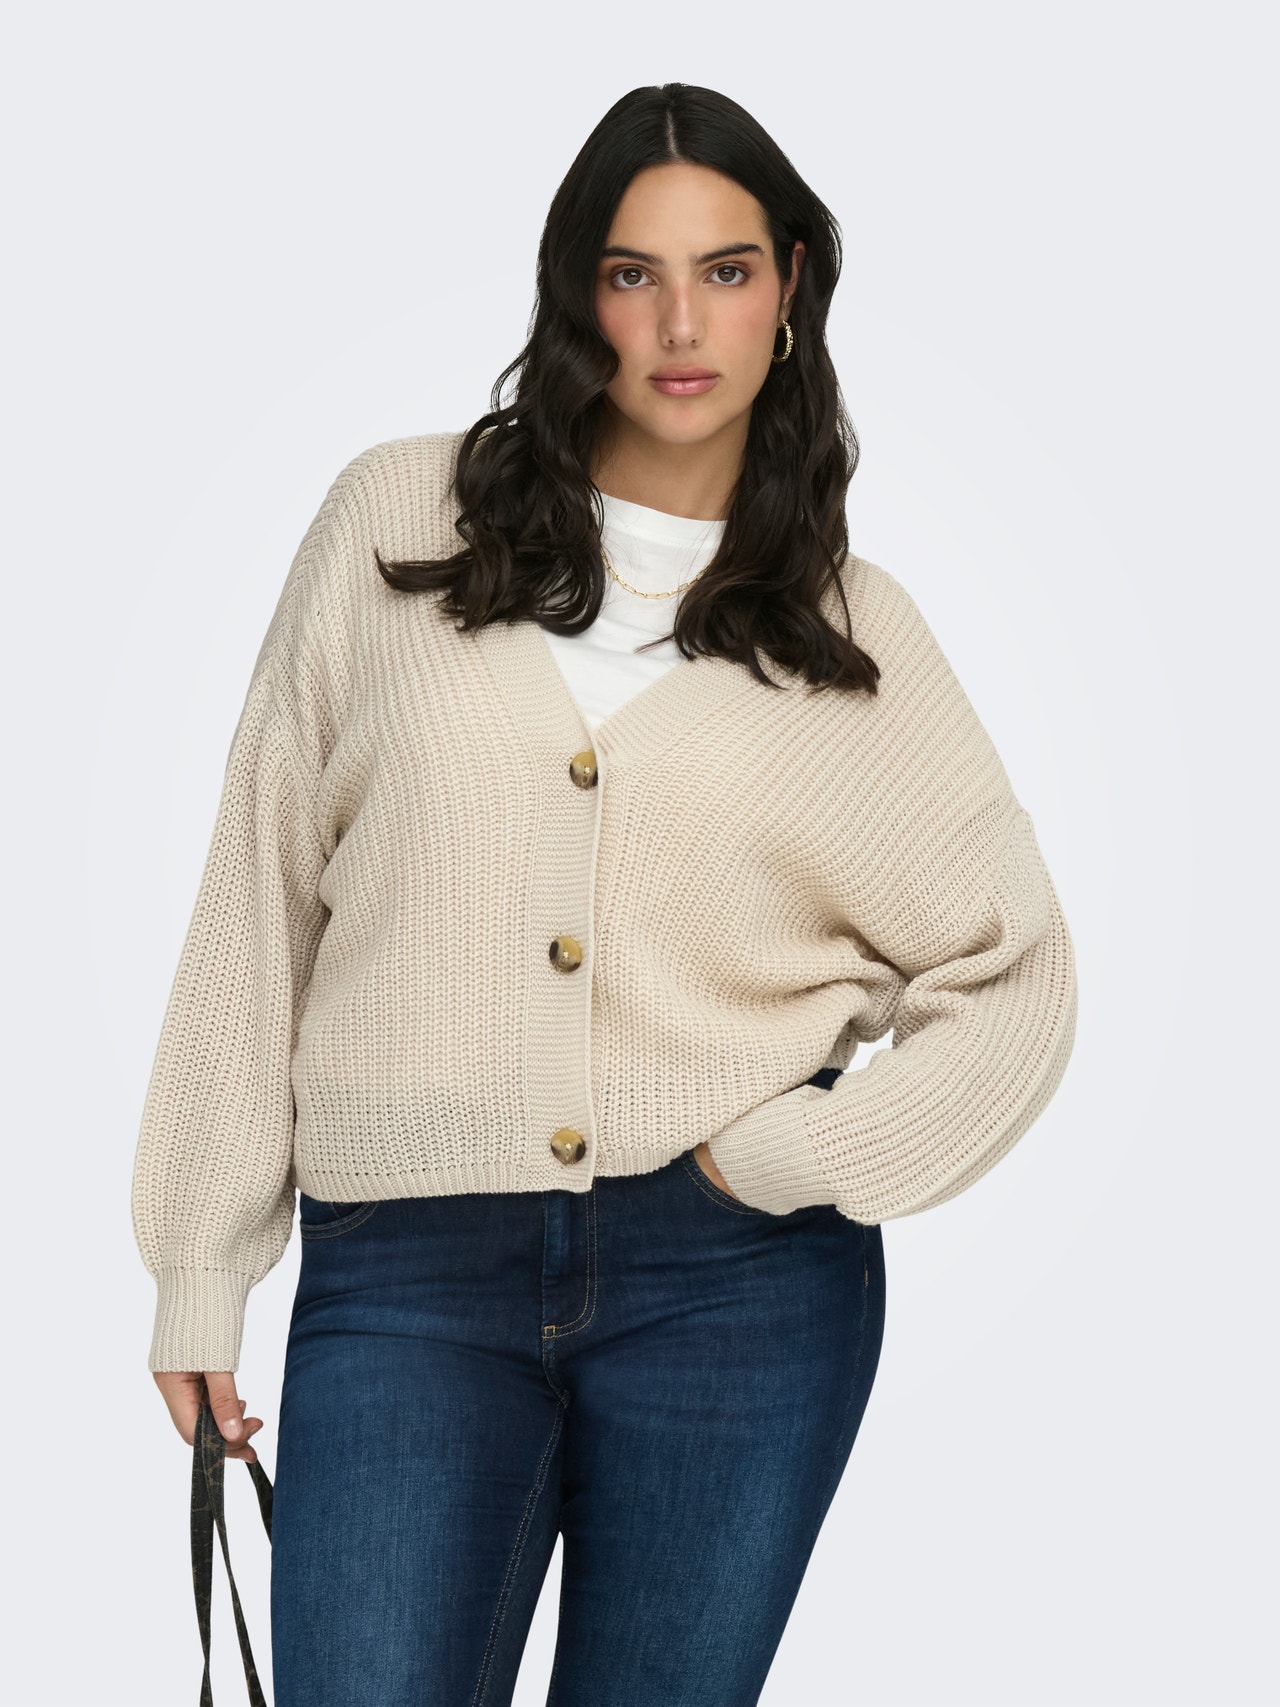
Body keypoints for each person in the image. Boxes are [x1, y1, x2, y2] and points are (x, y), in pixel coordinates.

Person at [132, 82, 1078, 1707]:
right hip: (407, 1271)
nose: (681, 323)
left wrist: (786, 1160)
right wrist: (201, 1262)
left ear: (790, 288)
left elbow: (1018, 977)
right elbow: (262, 884)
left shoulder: (853, 638)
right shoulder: (396, 524)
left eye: (727, 271)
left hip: (736, 1287)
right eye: (635, 274)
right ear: (579, 293)